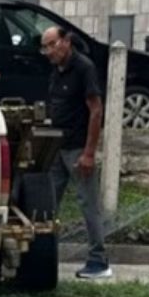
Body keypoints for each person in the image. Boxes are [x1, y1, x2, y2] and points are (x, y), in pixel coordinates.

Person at [40, 25, 111, 279]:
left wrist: (89, 152)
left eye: (52, 44)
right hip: (57, 148)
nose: (49, 51)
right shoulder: (56, 71)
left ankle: (99, 260)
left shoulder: (84, 68)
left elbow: (95, 110)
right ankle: (44, 256)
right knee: (47, 204)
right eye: (45, 47)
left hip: (78, 148)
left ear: (66, 41)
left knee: (88, 203)